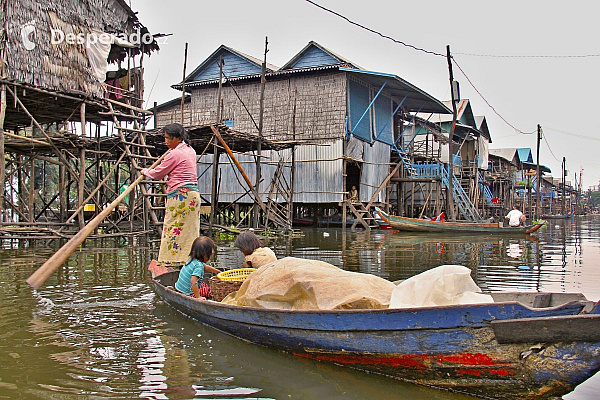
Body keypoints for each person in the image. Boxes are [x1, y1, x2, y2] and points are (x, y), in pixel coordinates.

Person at [141, 123, 201, 267]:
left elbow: (158, 174)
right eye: (165, 138)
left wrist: (145, 172)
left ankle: (171, 261)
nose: (166, 142)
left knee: (172, 228)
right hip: (192, 195)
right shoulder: (190, 150)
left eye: (168, 138)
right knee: (190, 231)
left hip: (180, 196)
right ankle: (187, 260)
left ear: (178, 138)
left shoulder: (174, 154)